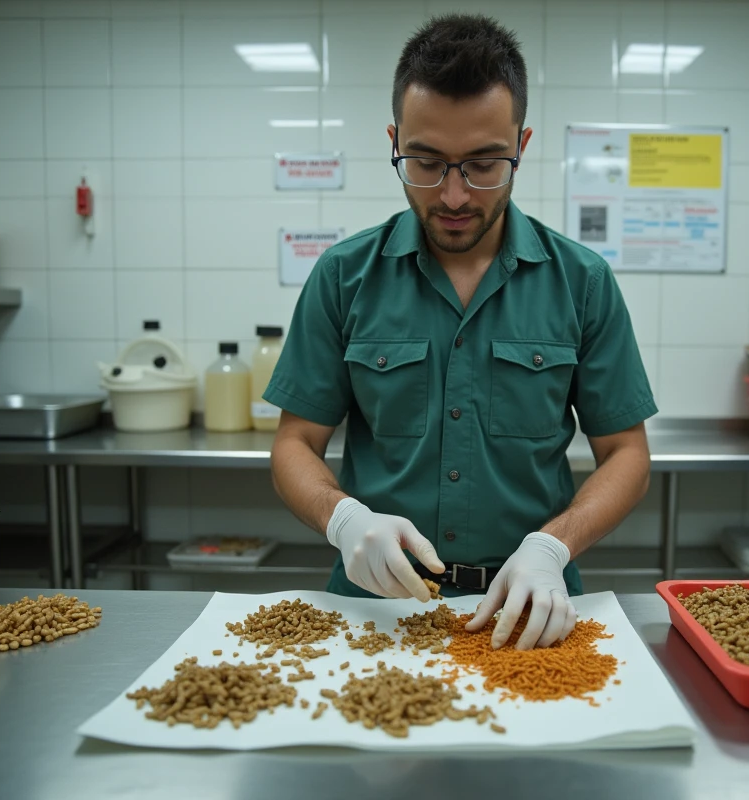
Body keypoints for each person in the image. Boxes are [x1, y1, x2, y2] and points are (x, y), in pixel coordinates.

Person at [264, 14, 655, 652]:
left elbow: (628, 458)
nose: (453, 195)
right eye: (425, 162)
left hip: (532, 609)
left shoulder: (581, 281)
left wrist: (553, 547)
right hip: (376, 611)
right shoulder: (343, 276)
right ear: (394, 140)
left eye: (483, 164)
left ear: (521, 145)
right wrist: (344, 519)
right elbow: (293, 445)